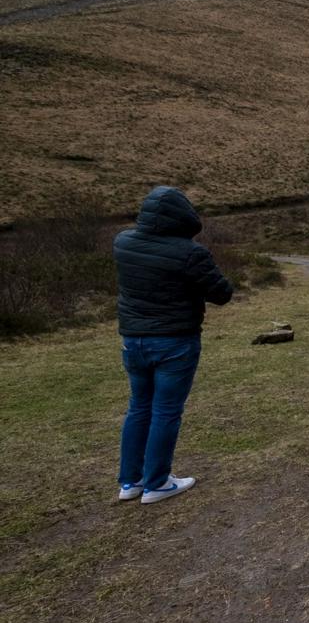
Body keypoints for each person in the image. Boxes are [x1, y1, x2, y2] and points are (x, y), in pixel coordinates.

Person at [112, 186, 233, 504]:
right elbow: (221, 293)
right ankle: (156, 484)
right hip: (175, 341)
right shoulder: (190, 253)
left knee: (138, 407)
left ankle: (131, 482)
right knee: (165, 411)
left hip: (133, 340)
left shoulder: (123, 242)